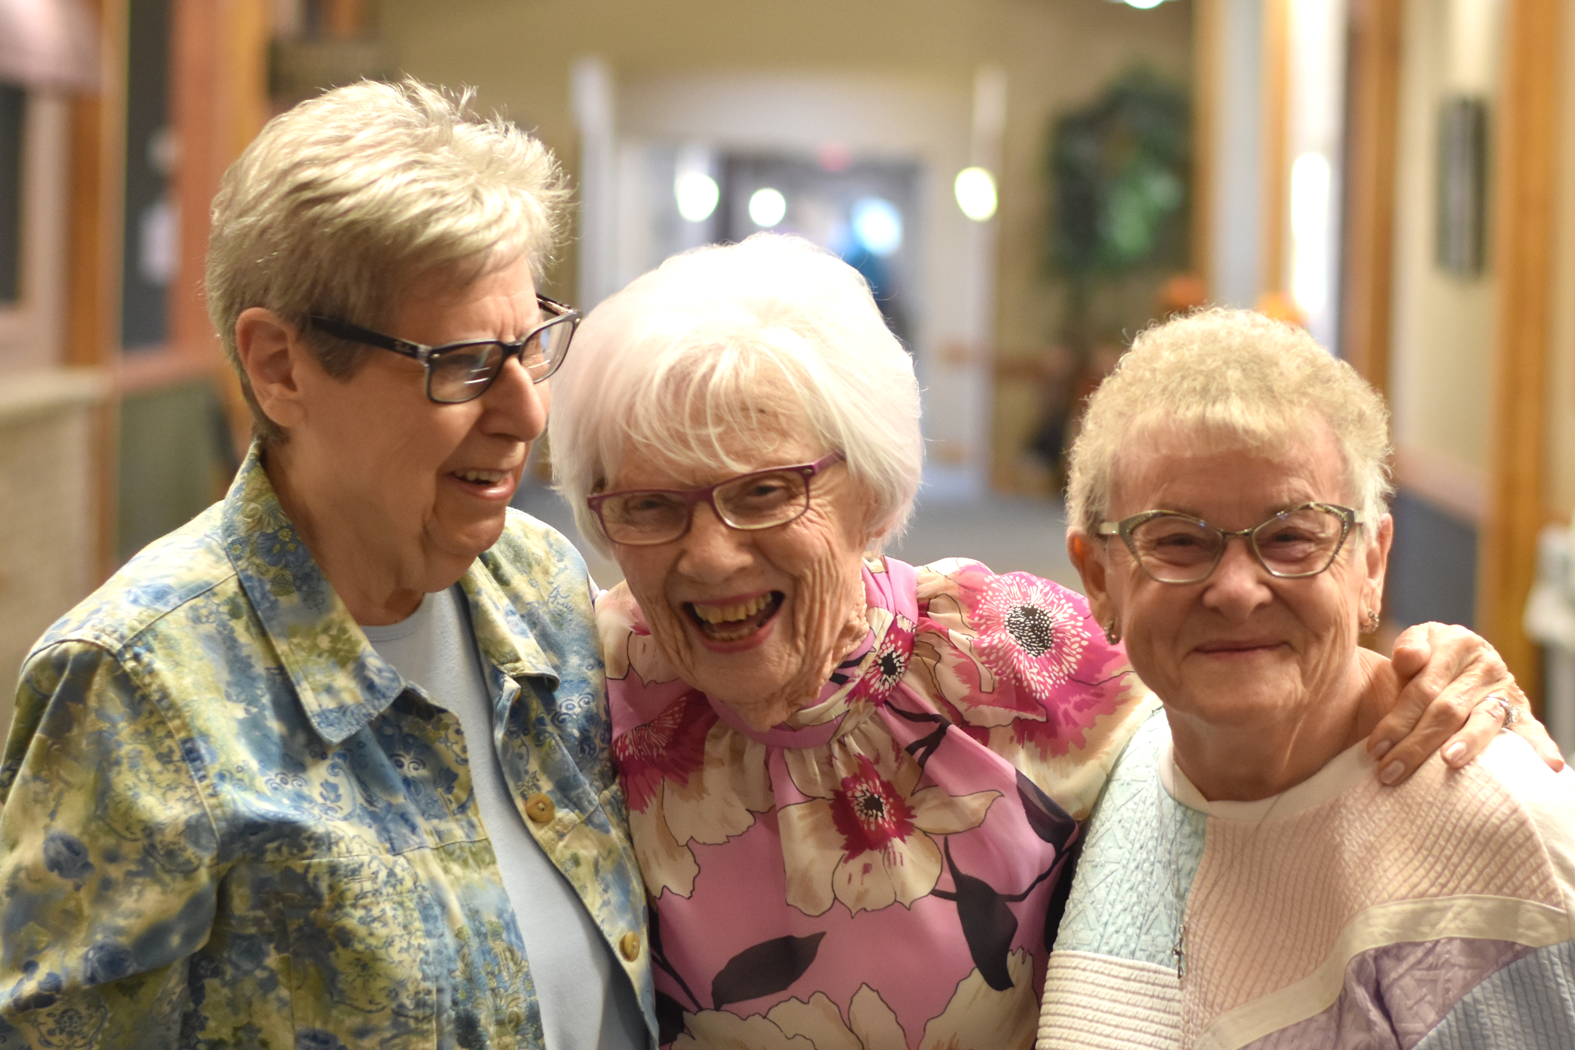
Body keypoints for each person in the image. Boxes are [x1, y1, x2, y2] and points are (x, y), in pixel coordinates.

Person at [547, 235, 1554, 1049]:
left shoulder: (1011, 656)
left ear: (870, 490)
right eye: (650, 506)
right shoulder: (578, 688)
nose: (711, 555)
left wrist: (1423, 673)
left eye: (766, 491)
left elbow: (1238, 691)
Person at [0, 81, 653, 1048]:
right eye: (464, 362)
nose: (526, 412)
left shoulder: (540, 586)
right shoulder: (137, 690)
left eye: (530, 346)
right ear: (280, 366)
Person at [1037, 308, 1575, 1047]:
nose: (1236, 590)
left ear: (1371, 563)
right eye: (1179, 541)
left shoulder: (1499, 844)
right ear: (1099, 577)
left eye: (1291, 536)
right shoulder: (1110, 762)